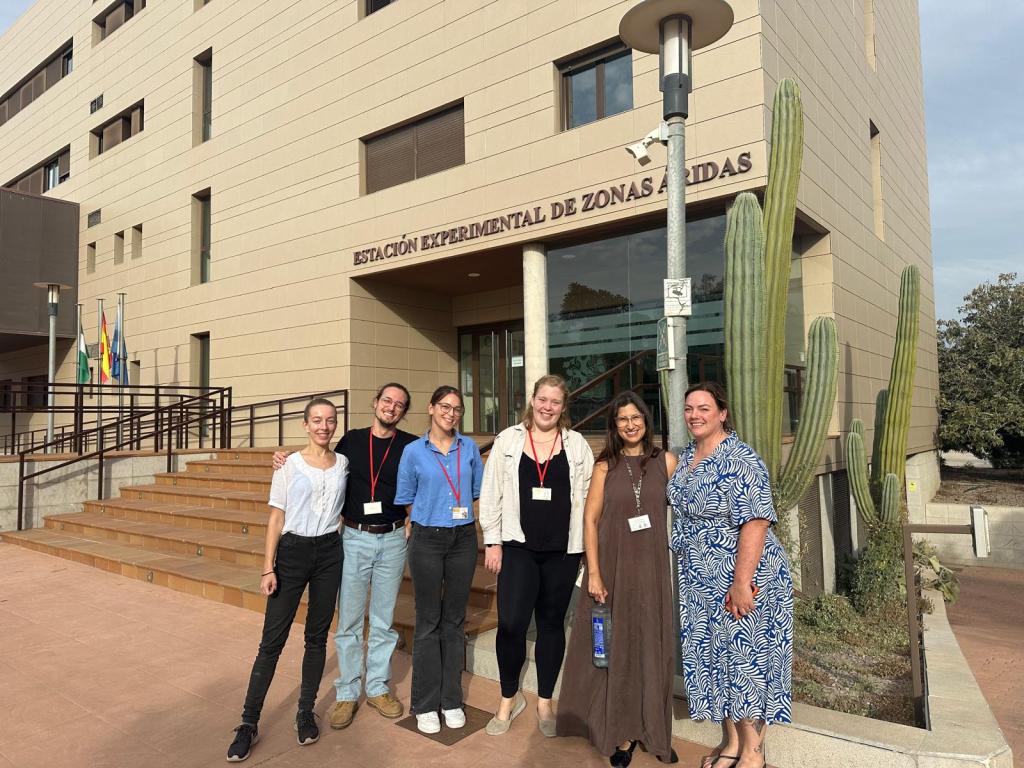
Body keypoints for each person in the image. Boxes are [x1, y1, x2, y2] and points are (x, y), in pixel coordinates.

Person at [667, 382, 794, 768]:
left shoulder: (740, 459)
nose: (695, 415)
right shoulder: (688, 456)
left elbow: (756, 521)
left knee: (745, 660)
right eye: (689, 409)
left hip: (742, 575)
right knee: (718, 660)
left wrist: (741, 583)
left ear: (722, 413)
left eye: (704, 408)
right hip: (701, 580)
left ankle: (753, 753)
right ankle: (733, 743)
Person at [557, 391, 679, 766]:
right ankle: (622, 734)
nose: (630, 424)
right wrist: (593, 573)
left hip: (653, 572)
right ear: (614, 425)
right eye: (622, 419)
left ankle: (653, 730)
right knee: (618, 651)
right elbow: (590, 520)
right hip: (612, 568)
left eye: (636, 417)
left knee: (651, 648)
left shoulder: (667, 462)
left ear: (646, 420)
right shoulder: (604, 466)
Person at [227, 398, 347, 762]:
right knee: (271, 642)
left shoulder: (343, 464)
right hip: (293, 553)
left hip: (329, 553)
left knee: (316, 638)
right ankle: (248, 722)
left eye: (330, 420)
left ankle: (305, 711)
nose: (324, 426)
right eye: (317, 420)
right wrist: (268, 567)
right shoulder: (288, 464)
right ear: (305, 425)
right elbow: (276, 518)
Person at [479, 375, 595, 737]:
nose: (548, 407)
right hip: (517, 548)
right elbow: (492, 490)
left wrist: (587, 548)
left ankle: (545, 701)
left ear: (563, 407)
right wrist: (492, 541)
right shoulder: (508, 440)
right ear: (532, 400)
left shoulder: (576, 444)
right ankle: (508, 698)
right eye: (543, 399)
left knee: (551, 625)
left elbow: (589, 497)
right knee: (511, 623)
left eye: (555, 402)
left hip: (563, 552)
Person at [394, 385, 484, 734]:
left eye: (457, 409)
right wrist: (427, 519)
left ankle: (451, 699)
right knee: (429, 620)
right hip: (427, 539)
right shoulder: (413, 451)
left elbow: (475, 491)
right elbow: (406, 497)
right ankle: (426, 703)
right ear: (431, 408)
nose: (451, 413)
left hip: (463, 538)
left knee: (454, 620)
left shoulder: (469, 448)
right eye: (445, 406)